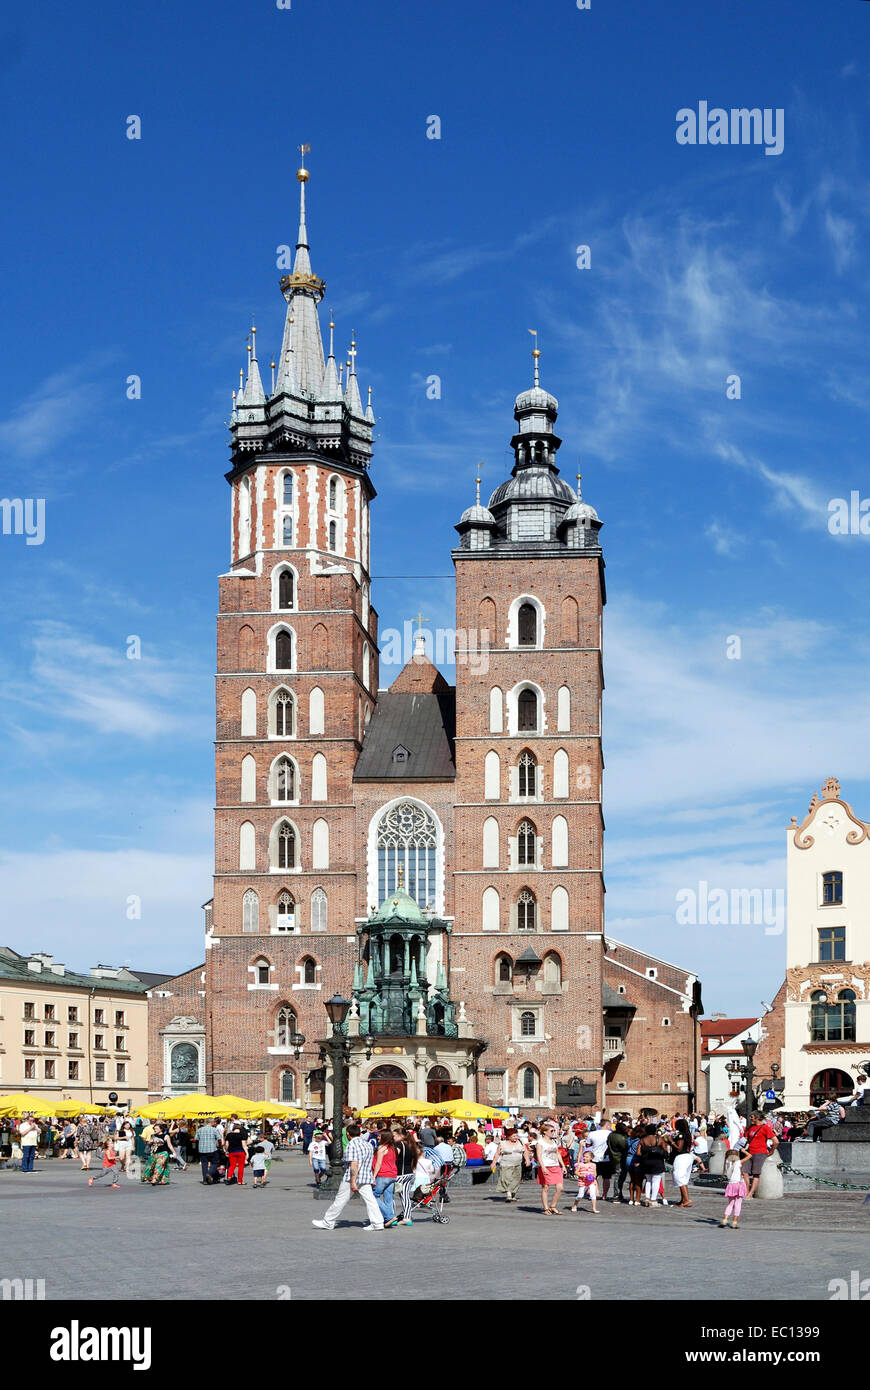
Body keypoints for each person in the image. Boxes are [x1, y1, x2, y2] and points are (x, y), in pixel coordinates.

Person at [312, 1123, 385, 1231]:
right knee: (370, 1200)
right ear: (360, 1133)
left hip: (351, 1176)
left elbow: (354, 1164)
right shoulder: (368, 1145)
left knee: (341, 1199)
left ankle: (328, 1221)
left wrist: (352, 1181)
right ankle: (378, 1223)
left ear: (347, 1134)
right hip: (365, 1176)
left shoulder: (352, 1145)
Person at [743, 1110, 778, 1198]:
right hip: (749, 1153)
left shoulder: (765, 1127)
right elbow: (746, 1138)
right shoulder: (751, 1127)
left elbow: (776, 1141)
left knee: (756, 1173)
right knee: (744, 1172)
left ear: (757, 1118)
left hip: (760, 1153)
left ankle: (751, 1193)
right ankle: (746, 1191)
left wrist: (771, 1151)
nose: (750, 1118)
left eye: (752, 1117)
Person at [535, 1121, 567, 1215]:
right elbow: (539, 1156)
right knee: (545, 1187)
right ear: (545, 1132)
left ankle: (553, 1206)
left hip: (555, 1166)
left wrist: (563, 1165)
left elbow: (557, 1153)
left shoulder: (554, 1141)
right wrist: (543, 1167)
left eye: (554, 1130)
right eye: (552, 1131)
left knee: (560, 1188)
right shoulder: (540, 1143)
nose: (553, 1132)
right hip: (546, 1166)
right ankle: (546, 1208)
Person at [393, 1128, 421, 1226]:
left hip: (399, 1173)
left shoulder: (399, 1145)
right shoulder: (411, 1145)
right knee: (405, 1197)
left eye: (395, 1136)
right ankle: (407, 1217)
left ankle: (391, 1217)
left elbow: (394, 1157)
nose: (393, 1137)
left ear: (401, 1136)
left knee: (390, 1195)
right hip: (409, 1173)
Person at [493, 1125, 528, 1204]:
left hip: (518, 1164)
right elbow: (497, 1154)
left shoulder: (520, 1142)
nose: (516, 1137)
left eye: (517, 1135)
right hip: (506, 1164)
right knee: (507, 1179)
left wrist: (527, 1160)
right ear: (508, 1136)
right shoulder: (502, 1143)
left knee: (516, 1179)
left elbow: (525, 1151)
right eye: (514, 1136)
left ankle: (513, 1194)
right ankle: (509, 1194)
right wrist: (494, 1163)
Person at [372, 1129, 399, 1228]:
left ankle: (390, 1216)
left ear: (384, 1137)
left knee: (374, 1196)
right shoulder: (393, 1148)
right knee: (388, 1198)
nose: (377, 1137)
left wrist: (373, 1176)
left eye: (379, 1136)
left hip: (383, 1175)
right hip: (392, 1175)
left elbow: (378, 1163)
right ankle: (389, 1219)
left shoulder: (382, 1148)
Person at [638, 1124, 669, 1207]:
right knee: (656, 1181)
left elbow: (638, 1153)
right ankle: (653, 1200)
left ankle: (647, 1198)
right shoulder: (659, 1139)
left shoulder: (642, 1140)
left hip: (646, 1161)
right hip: (657, 1162)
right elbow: (665, 1150)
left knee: (648, 1180)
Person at [586, 1117, 614, 1201]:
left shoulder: (592, 1133)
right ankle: (604, 1195)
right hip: (607, 1158)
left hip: (594, 1157)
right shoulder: (611, 1134)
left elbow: (587, 1145)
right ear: (607, 1125)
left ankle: (596, 1192)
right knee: (606, 1178)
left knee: (593, 1177)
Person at [720, 1148, 748, 1228]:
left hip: (731, 1185)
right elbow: (750, 1156)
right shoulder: (738, 1162)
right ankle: (734, 1222)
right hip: (739, 1184)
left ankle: (725, 1220)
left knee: (730, 1204)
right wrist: (744, 1151)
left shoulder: (727, 1163)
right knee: (738, 1203)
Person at [670, 1117, 695, 1208]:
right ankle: (683, 1199)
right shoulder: (687, 1134)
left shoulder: (681, 1135)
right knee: (684, 1179)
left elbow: (679, 1148)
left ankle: (686, 1199)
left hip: (681, 1157)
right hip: (687, 1157)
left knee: (679, 1177)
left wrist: (671, 1141)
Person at [569, 1148, 599, 1213]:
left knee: (593, 1194)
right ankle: (575, 1205)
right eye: (584, 1156)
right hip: (582, 1182)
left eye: (587, 1157)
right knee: (580, 1195)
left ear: (591, 1158)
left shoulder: (593, 1165)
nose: (584, 1158)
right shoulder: (580, 1164)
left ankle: (594, 1208)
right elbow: (576, 1172)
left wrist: (593, 1176)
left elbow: (595, 1173)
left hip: (591, 1182)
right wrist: (581, 1176)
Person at [195, 1118, 223, 1184]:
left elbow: (196, 1139)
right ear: (212, 1122)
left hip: (202, 1150)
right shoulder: (214, 1130)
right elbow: (219, 1139)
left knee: (204, 1165)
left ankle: (205, 1180)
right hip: (212, 1149)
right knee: (215, 1163)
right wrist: (220, 1145)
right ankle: (209, 1174)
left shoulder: (200, 1129)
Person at [608, 1122, 630, 1203]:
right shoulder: (621, 1138)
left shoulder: (611, 1135)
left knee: (619, 1176)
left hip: (614, 1157)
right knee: (619, 1176)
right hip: (620, 1158)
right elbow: (625, 1147)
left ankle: (618, 1194)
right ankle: (616, 1195)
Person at [224, 1119, 249, 1186]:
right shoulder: (242, 1135)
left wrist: (226, 1151)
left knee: (232, 1166)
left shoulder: (229, 1135)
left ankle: (229, 1177)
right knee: (241, 1166)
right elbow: (244, 1145)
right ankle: (240, 1181)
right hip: (241, 1152)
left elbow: (226, 1144)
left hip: (232, 1152)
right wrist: (247, 1153)